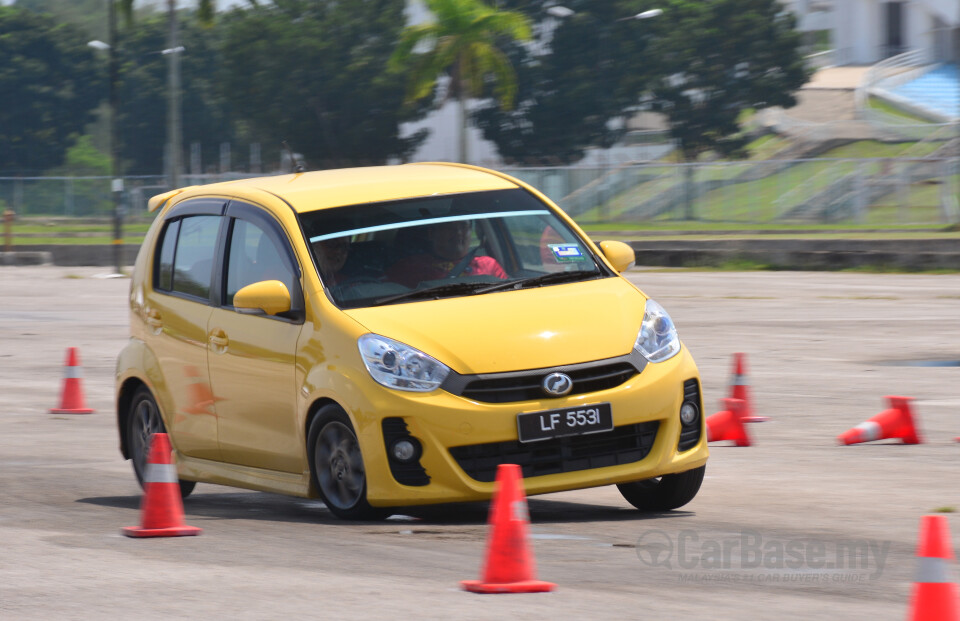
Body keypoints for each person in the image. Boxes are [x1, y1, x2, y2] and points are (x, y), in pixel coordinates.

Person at [386, 220, 506, 288]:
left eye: (464, 226)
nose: (458, 232)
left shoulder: (488, 265)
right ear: (431, 233)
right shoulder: (409, 267)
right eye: (449, 227)